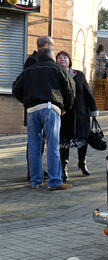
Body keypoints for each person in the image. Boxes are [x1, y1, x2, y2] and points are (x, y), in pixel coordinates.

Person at [12, 47, 75, 191]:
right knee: (53, 145)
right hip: (50, 107)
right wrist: (66, 106)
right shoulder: (56, 69)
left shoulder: (29, 70)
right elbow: (69, 88)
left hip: (32, 110)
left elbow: (15, 88)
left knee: (34, 146)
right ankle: (54, 182)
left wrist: (27, 101)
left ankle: (35, 181)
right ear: (52, 56)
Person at [56, 51, 99, 182]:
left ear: (69, 61)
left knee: (83, 140)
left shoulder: (78, 74)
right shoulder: (55, 75)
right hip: (65, 115)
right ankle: (63, 168)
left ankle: (82, 163)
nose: (62, 59)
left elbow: (87, 92)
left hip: (81, 114)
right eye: (59, 57)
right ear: (56, 61)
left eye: (65, 57)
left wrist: (93, 109)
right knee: (64, 142)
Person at [24, 36, 55, 181]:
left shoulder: (36, 60)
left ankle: (37, 172)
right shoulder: (32, 61)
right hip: (35, 107)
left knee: (39, 141)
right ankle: (33, 172)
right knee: (35, 142)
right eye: (52, 47)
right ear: (46, 46)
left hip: (38, 106)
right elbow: (23, 85)